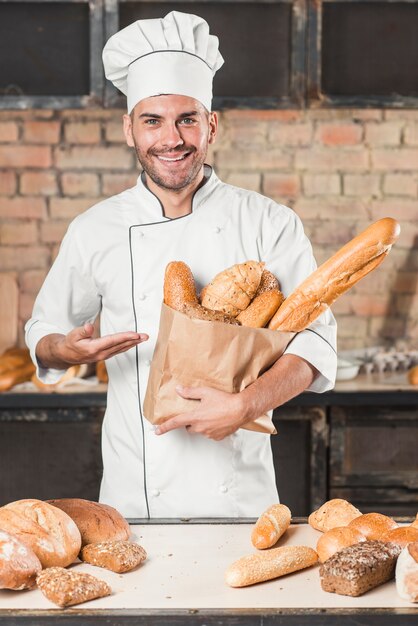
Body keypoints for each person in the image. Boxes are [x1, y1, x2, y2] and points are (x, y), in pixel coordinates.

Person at [25, 11, 337, 518]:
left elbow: (315, 342)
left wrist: (246, 406)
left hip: (239, 500)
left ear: (211, 125)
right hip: (133, 501)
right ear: (130, 129)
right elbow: (46, 332)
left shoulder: (269, 221)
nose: (171, 139)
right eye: (152, 121)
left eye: (186, 119)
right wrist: (65, 348)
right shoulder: (95, 228)